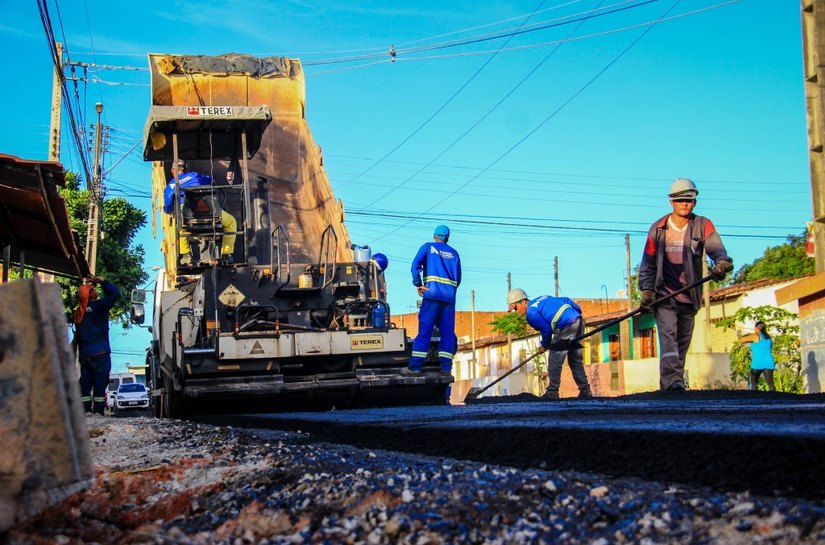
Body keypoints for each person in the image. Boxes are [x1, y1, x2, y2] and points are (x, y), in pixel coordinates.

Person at [638, 178, 733, 392]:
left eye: (688, 200)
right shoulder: (658, 229)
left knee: (682, 342)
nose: (684, 204)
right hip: (664, 294)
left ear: (695, 202)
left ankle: (672, 385)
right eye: (680, 200)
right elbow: (648, 262)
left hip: (690, 294)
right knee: (668, 337)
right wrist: (647, 290)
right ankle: (673, 383)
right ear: (671, 202)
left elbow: (715, 246)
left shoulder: (702, 224)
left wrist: (721, 263)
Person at [507, 289, 592, 400]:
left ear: (523, 302)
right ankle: (585, 391)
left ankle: (552, 392)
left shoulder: (530, 314)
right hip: (578, 321)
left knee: (554, 359)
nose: (516, 312)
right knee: (575, 360)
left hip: (565, 325)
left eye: (516, 308)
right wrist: (577, 313)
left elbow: (546, 329)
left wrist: (544, 345)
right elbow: (566, 300)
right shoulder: (542, 298)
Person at [403, 225, 461, 376]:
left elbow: (415, 266)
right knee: (447, 333)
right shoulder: (454, 253)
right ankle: (446, 369)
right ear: (447, 238)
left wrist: (419, 284)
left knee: (425, 331)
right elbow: (458, 278)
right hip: (449, 299)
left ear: (434, 235)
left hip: (432, 295)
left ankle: (415, 368)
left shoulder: (428, 248)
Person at [163, 159, 237, 265]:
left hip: (189, 216)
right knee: (231, 222)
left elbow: (168, 202)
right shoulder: (195, 175)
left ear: (172, 171)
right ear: (185, 169)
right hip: (211, 212)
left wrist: (169, 211)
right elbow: (211, 180)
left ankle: (186, 255)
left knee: (181, 227)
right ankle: (226, 254)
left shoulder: (171, 185)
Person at [73, 276, 121, 416]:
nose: (95, 291)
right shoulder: (99, 307)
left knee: (86, 383)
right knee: (100, 382)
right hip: (100, 354)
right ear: (90, 295)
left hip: (85, 355)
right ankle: (99, 410)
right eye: (92, 290)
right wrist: (102, 281)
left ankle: (86, 410)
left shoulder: (78, 313)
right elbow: (115, 293)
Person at [738, 321, 776, 391]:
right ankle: (774, 399)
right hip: (769, 362)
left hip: (758, 363)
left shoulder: (755, 336)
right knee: (770, 383)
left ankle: (754, 398)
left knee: (753, 382)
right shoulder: (768, 338)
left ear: (756, 328)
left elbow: (741, 340)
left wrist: (749, 336)